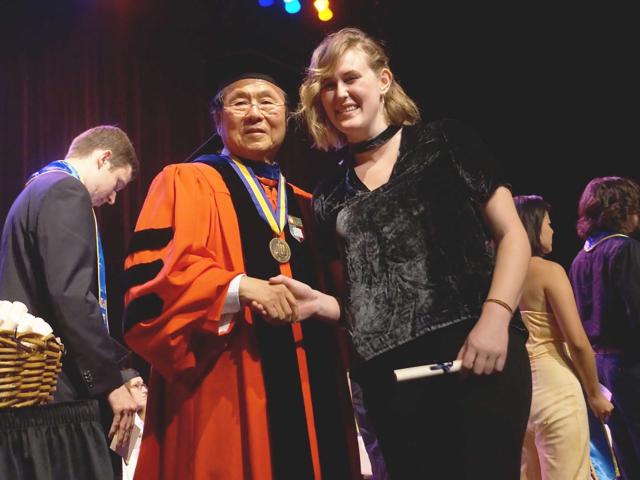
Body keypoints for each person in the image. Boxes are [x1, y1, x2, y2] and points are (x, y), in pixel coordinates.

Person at [269, 27, 532, 479]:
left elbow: (513, 236)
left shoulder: (445, 141)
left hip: (478, 355)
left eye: (351, 78)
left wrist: (494, 319)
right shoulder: (329, 193)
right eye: (328, 84)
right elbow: (359, 303)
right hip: (389, 378)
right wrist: (320, 305)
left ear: (384, 80)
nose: (340, 93)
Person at [122, 65, 360, 479]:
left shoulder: (308, 203)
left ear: (285, 117)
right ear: (218, 119)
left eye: (267, 102)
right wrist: (235, 288)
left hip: (314, 394)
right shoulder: (185, 181)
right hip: (223, 395)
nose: (254, 113)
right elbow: (148, 289)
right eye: (239, 102)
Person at [0, 125, 140, 479]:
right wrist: (111, 383)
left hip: (30, 384)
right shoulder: (65, 190)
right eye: (118, 185)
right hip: (56, 389)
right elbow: (72, 297)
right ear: (104, 158)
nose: (112, 199)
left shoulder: (35, 190)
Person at [513, 194, 614, 479]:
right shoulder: (548, 271)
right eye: (548, 223)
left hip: (520, 394)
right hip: (557, 389)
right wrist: (594, 393)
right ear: (532, 226)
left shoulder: (495, 275)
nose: (553, 230)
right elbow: (578, 341)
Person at [569, 176, 640, 479]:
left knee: (624, 451)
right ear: (622, 209)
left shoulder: (579, 259)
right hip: (631, 362)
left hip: (602, 367)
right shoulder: (624, 250)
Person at [121, 368, 147, 480]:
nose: (145, 390)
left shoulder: (141, 420)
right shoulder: (126, 422)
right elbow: (126, 465)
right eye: (137, 386)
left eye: (143, 384)